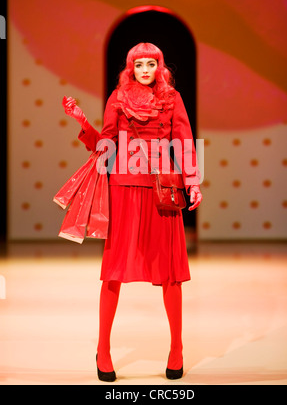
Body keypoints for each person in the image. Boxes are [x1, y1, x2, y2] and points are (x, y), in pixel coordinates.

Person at [62, 43, 202, 382]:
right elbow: (105, 144)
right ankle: (104, 349)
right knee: (113, 270)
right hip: (124, 187)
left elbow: (183, 140)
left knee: (170, 271)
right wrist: (82, 121)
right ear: (130, 67)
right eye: (138, 64)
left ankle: (177, 349)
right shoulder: (118, 99)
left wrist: (193, 181)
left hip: (162, 188)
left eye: (150, 64)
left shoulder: (172, 98)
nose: (144, 69)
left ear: (159, 67)